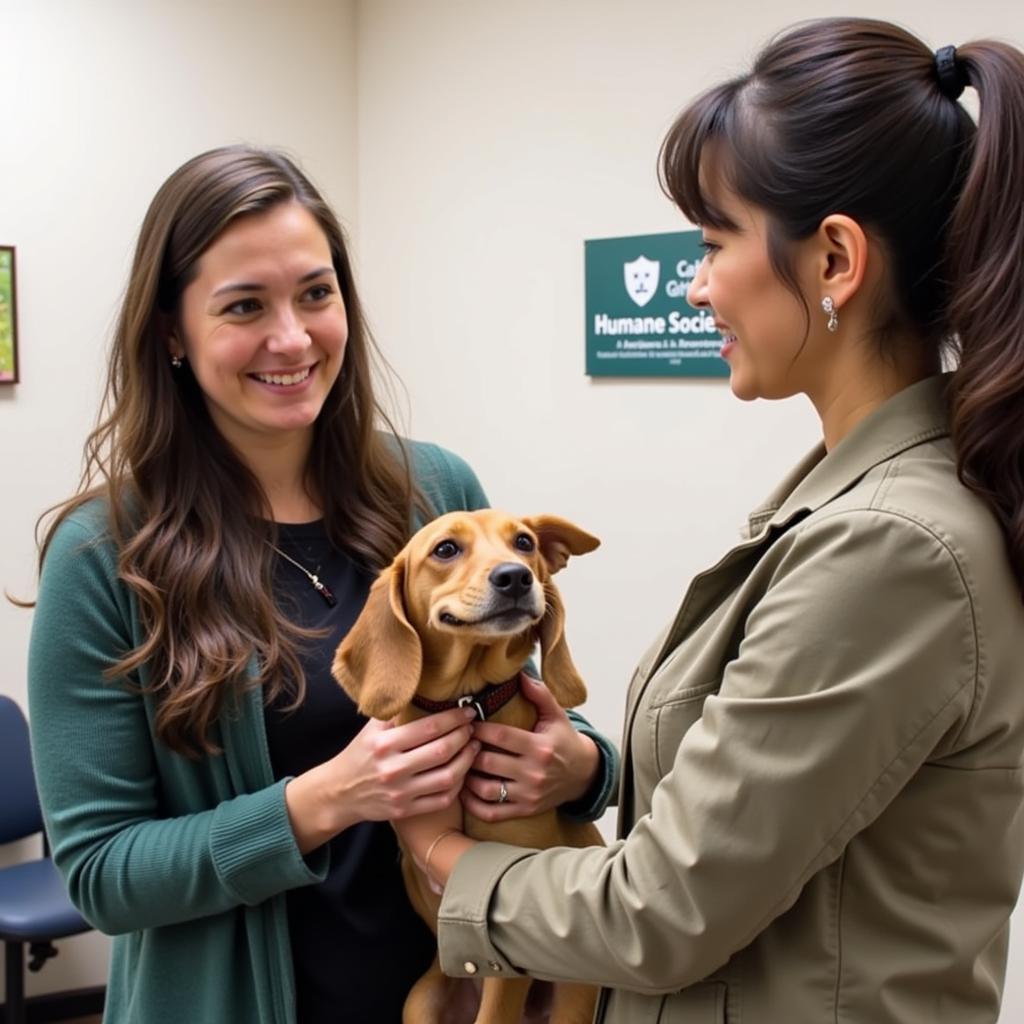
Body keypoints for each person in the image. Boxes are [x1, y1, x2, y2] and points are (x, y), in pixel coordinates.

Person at [394, 17, 1024, 1023]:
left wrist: (435, 849)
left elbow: (663, 911)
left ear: (833, 262)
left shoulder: (887, 548)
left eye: (713, 243)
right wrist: (595, 766)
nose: (693, 284)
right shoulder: (845, 504)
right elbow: (780, 800)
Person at [26, 146, 617, 1024]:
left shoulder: (437, 496)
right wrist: (327, 799)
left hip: (453, 997)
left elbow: (534, 707)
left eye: (316, 293)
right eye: (244, 307)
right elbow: (104, 875)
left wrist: (584, 767)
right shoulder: (105, 554)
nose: (294, 338)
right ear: (169, 334)